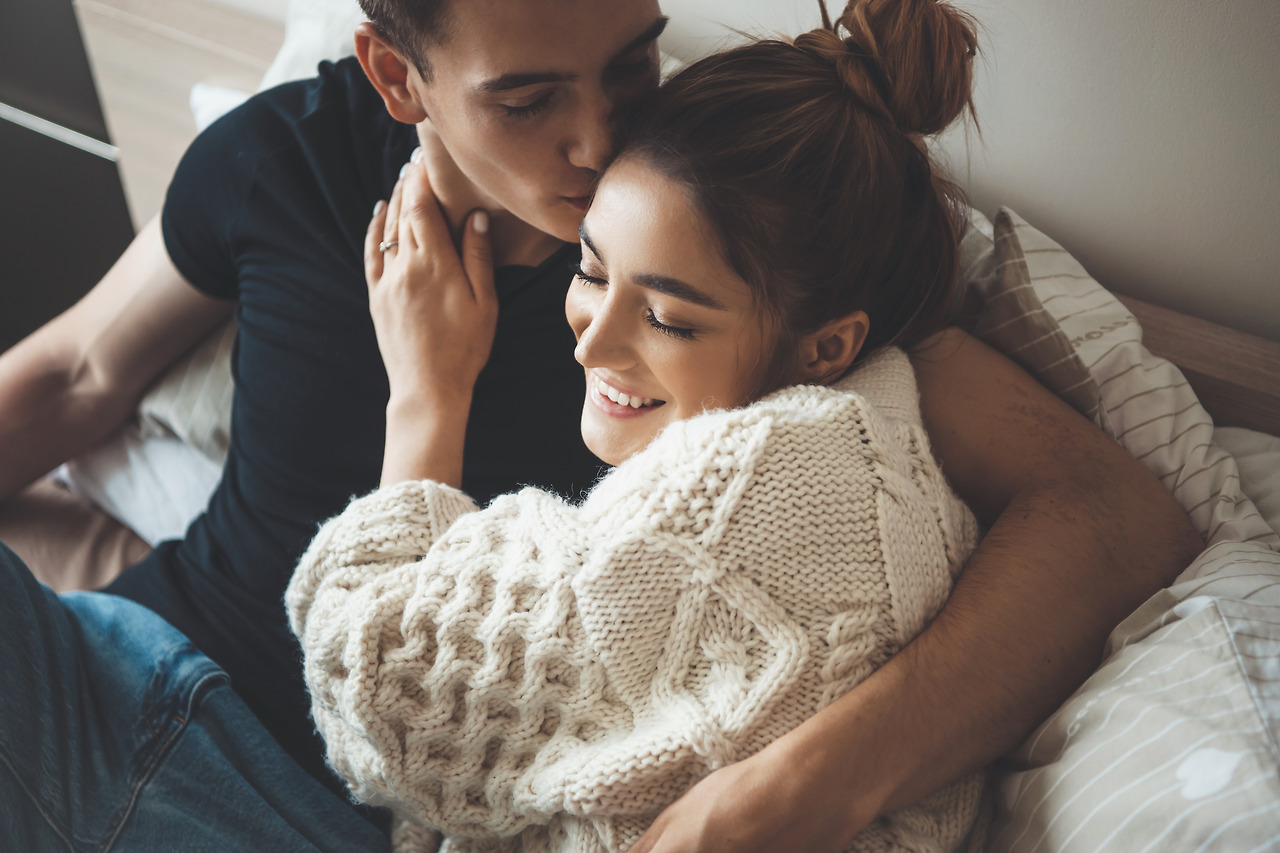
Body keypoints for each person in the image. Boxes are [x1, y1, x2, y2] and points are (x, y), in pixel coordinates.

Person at [0, 0, 1200, 848]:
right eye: (525, 99)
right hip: (126, 653)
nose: (597, 136)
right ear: (395, 74)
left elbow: (1109, 515)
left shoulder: (748, 245)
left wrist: (805, 788)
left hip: (293, 781)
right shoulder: (288, 158)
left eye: (630, 65)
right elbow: (73, 378)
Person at [287, 5, 994, 848]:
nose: (592, 336)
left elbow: (370, 683)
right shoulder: (880, 427)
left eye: (666, 317)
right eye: (591, 269)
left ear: (829, 344)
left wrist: (425, 397)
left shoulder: (732, 497)